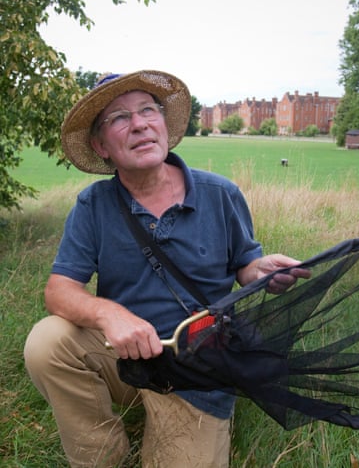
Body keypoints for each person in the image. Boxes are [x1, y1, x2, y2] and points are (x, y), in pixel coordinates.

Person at [24, 70, 309, 468]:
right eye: (119, 118)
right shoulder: (93, 204)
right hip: (124, 357)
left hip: (197, 370)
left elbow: (245, 264)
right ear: (100, 145)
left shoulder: (220, 194)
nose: (139, 123)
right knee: (47, 342)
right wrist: (110, 314)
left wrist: (259, 271)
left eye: (147, 110)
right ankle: (102, 455)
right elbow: (58, 290)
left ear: (163, 123)